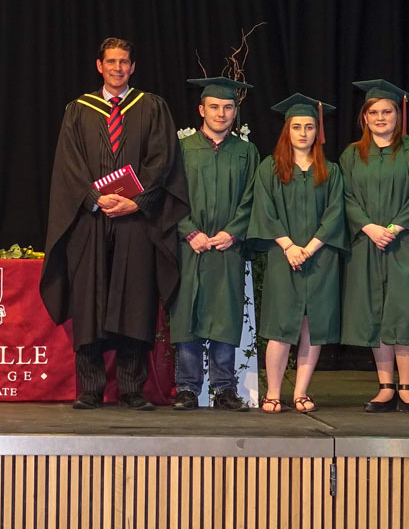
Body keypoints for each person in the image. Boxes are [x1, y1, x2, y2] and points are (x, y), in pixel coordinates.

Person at [41, 37, 190, 410]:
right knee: (89, 301)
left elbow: (162, 161)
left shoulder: (152, 107)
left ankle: (131, 388)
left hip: (136, 221)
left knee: (135, 301)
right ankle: (89, 388)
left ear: (133, 67)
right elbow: (68, 165)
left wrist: (136, 202)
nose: (118, 68)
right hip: (91, 220)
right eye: (111, 62)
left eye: (124, 62)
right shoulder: (78, 110)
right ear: (99, 66)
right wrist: (94, 198)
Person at [340, 79, 409, 415]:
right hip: (367, 242)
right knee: (376, 312)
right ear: (364, 117)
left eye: (387, 111)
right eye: (374, 112)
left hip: (406, 242)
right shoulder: (352, 155)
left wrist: (394, 227)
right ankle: (385, 387)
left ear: (399, 115)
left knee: (405, 311)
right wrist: (368, 226)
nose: (381, 117)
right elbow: (345, 196)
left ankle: (407, 389)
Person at [248, 93, 346, 415]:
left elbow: (335, 214)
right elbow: (265, 209)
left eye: (309, 127)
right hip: (283, 254)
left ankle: (302, 391)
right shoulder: (270, 168)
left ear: (318, 132)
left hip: (320, 257)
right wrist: (289, 246)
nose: (303, 133)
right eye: (296, 127)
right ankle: (273, 392)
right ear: (286, 131)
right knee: (280, 325)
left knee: (312, 324)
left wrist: (311, 246)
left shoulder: (330, 170)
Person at [170, 77, 258, 412]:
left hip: (227, 246)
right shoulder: (182, 149)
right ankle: (188, 388)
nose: (221, 113)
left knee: (225, 313)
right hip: (191, 245)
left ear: (235, 112)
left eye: (228, 107)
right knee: (187, 313)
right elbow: (171, 196)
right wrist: (189, 231)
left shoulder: (246, 152)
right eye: (214, 107)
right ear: (201, 109)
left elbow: (252, 198)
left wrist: (233, 231)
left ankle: (225, 389)